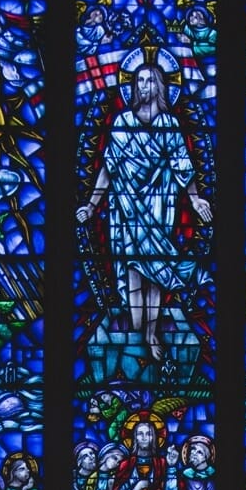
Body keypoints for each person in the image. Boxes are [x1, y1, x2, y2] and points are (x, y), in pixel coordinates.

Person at [76, 60, 211, 363]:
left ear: (161, 87)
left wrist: (195, 199)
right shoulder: (122, 122)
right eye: (139, 81)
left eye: (150, 81)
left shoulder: (169, 124)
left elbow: (182, 166)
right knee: (133, 270)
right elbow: (108, 169)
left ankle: (149, 333)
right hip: (126, 208)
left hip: (160, 206)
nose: (143, 86)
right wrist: (91, 204)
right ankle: (140, 331)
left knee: (155, 274)